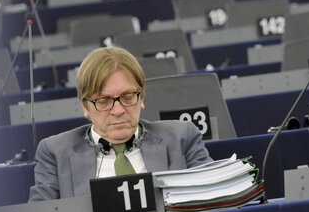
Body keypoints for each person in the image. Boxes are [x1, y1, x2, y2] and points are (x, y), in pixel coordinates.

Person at [29, 47, 212, 201]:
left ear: (141, 97)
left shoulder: (182, 138)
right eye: (103, 101)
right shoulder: (55, 153)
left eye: (127, 97)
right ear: (84, 106)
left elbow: (213, 200)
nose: (118, 110)